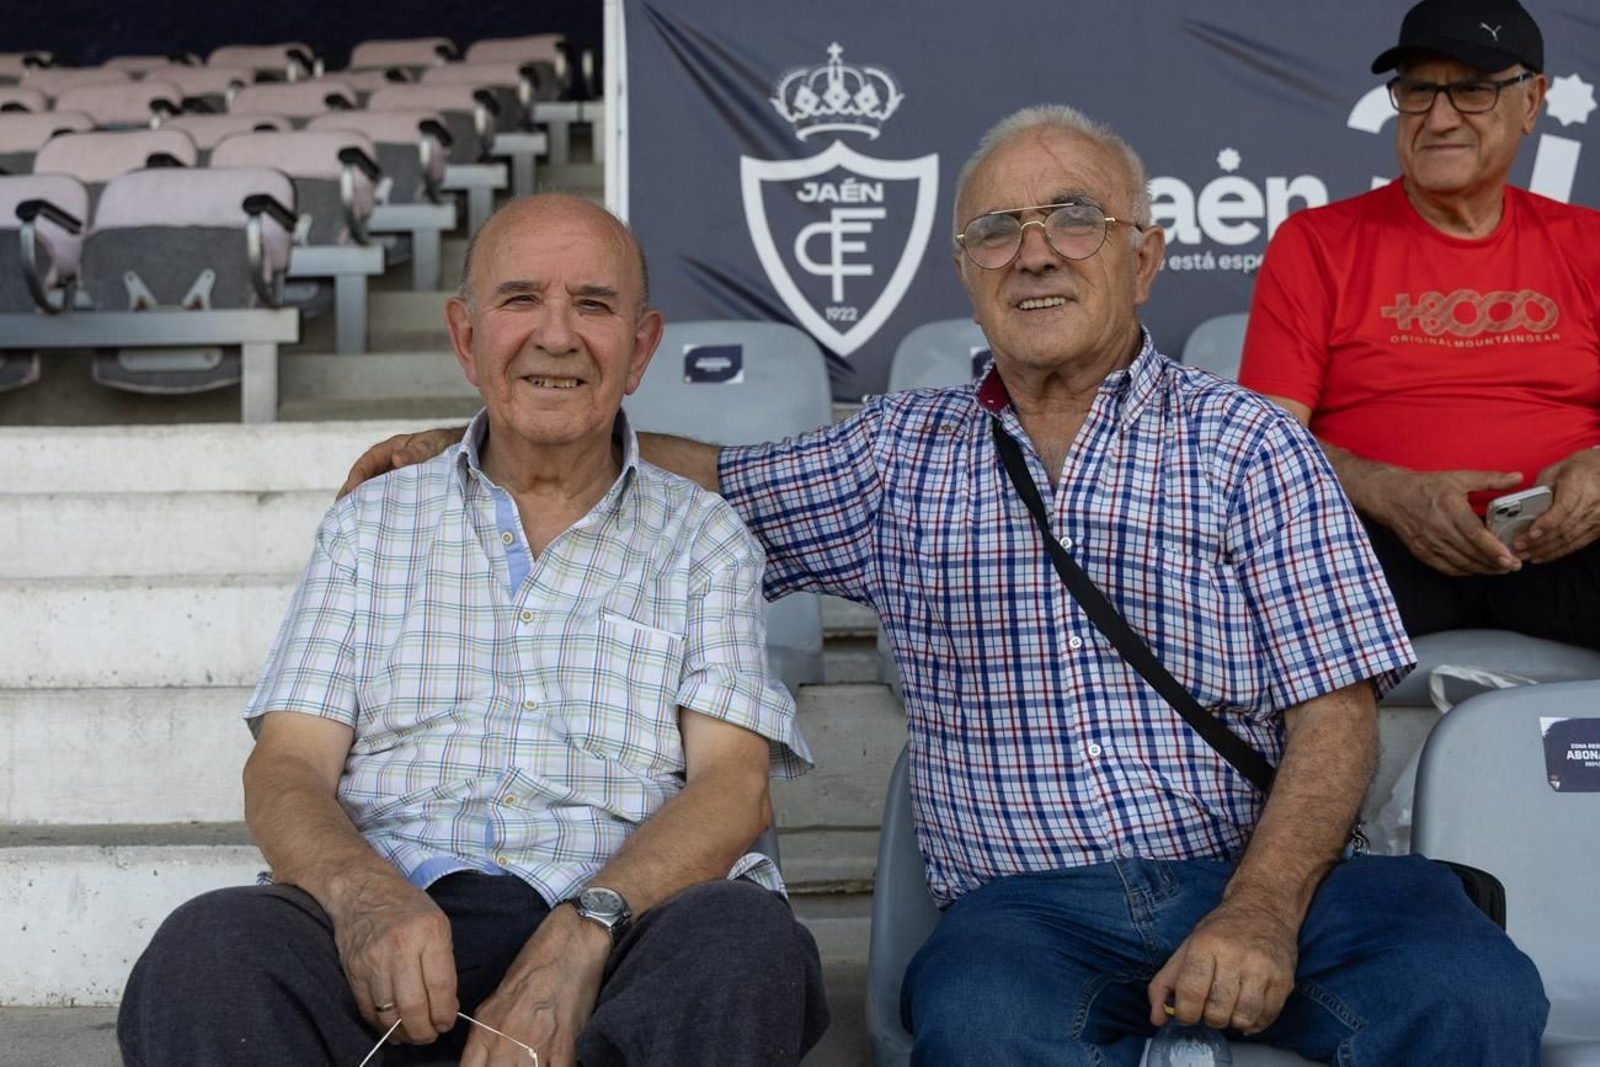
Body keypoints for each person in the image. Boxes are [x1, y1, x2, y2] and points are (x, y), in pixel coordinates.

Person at [345, 109, 1548, 1063]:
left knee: (1467, 987)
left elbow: (1335, 714)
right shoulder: (895, 453)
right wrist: (498, 434)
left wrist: (1259, 909)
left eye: (1073, 216)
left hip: (1272, 871)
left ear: (1146, 255)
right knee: (980, 1026)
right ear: (964, 266)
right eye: (996, 228)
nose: (1033, 251)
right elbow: (700, 476)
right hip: (1027, 913)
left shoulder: (1250, 445)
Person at [117, 194, 827, 1067]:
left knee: (741, 944)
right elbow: (287, 765)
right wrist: (364, 896)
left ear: (640, 349)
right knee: (208, 949)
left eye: (595, 306)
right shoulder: (370, 524)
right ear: (465, 336)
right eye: (520, 299)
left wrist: (582, 934)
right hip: (389, 932)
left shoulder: (704, 535)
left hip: (619, 938)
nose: (556, 335)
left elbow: (733, 789)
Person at [1239, 0, 1600, 649]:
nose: (1437, 118)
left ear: (1533, 100)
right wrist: (1388, 491)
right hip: (1381, 547)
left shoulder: (1589, 243)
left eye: (1470, 90)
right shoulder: (1317, 243)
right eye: (1417, 90)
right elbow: (1264, 444)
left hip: (1565, 545)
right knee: (1256, 587)